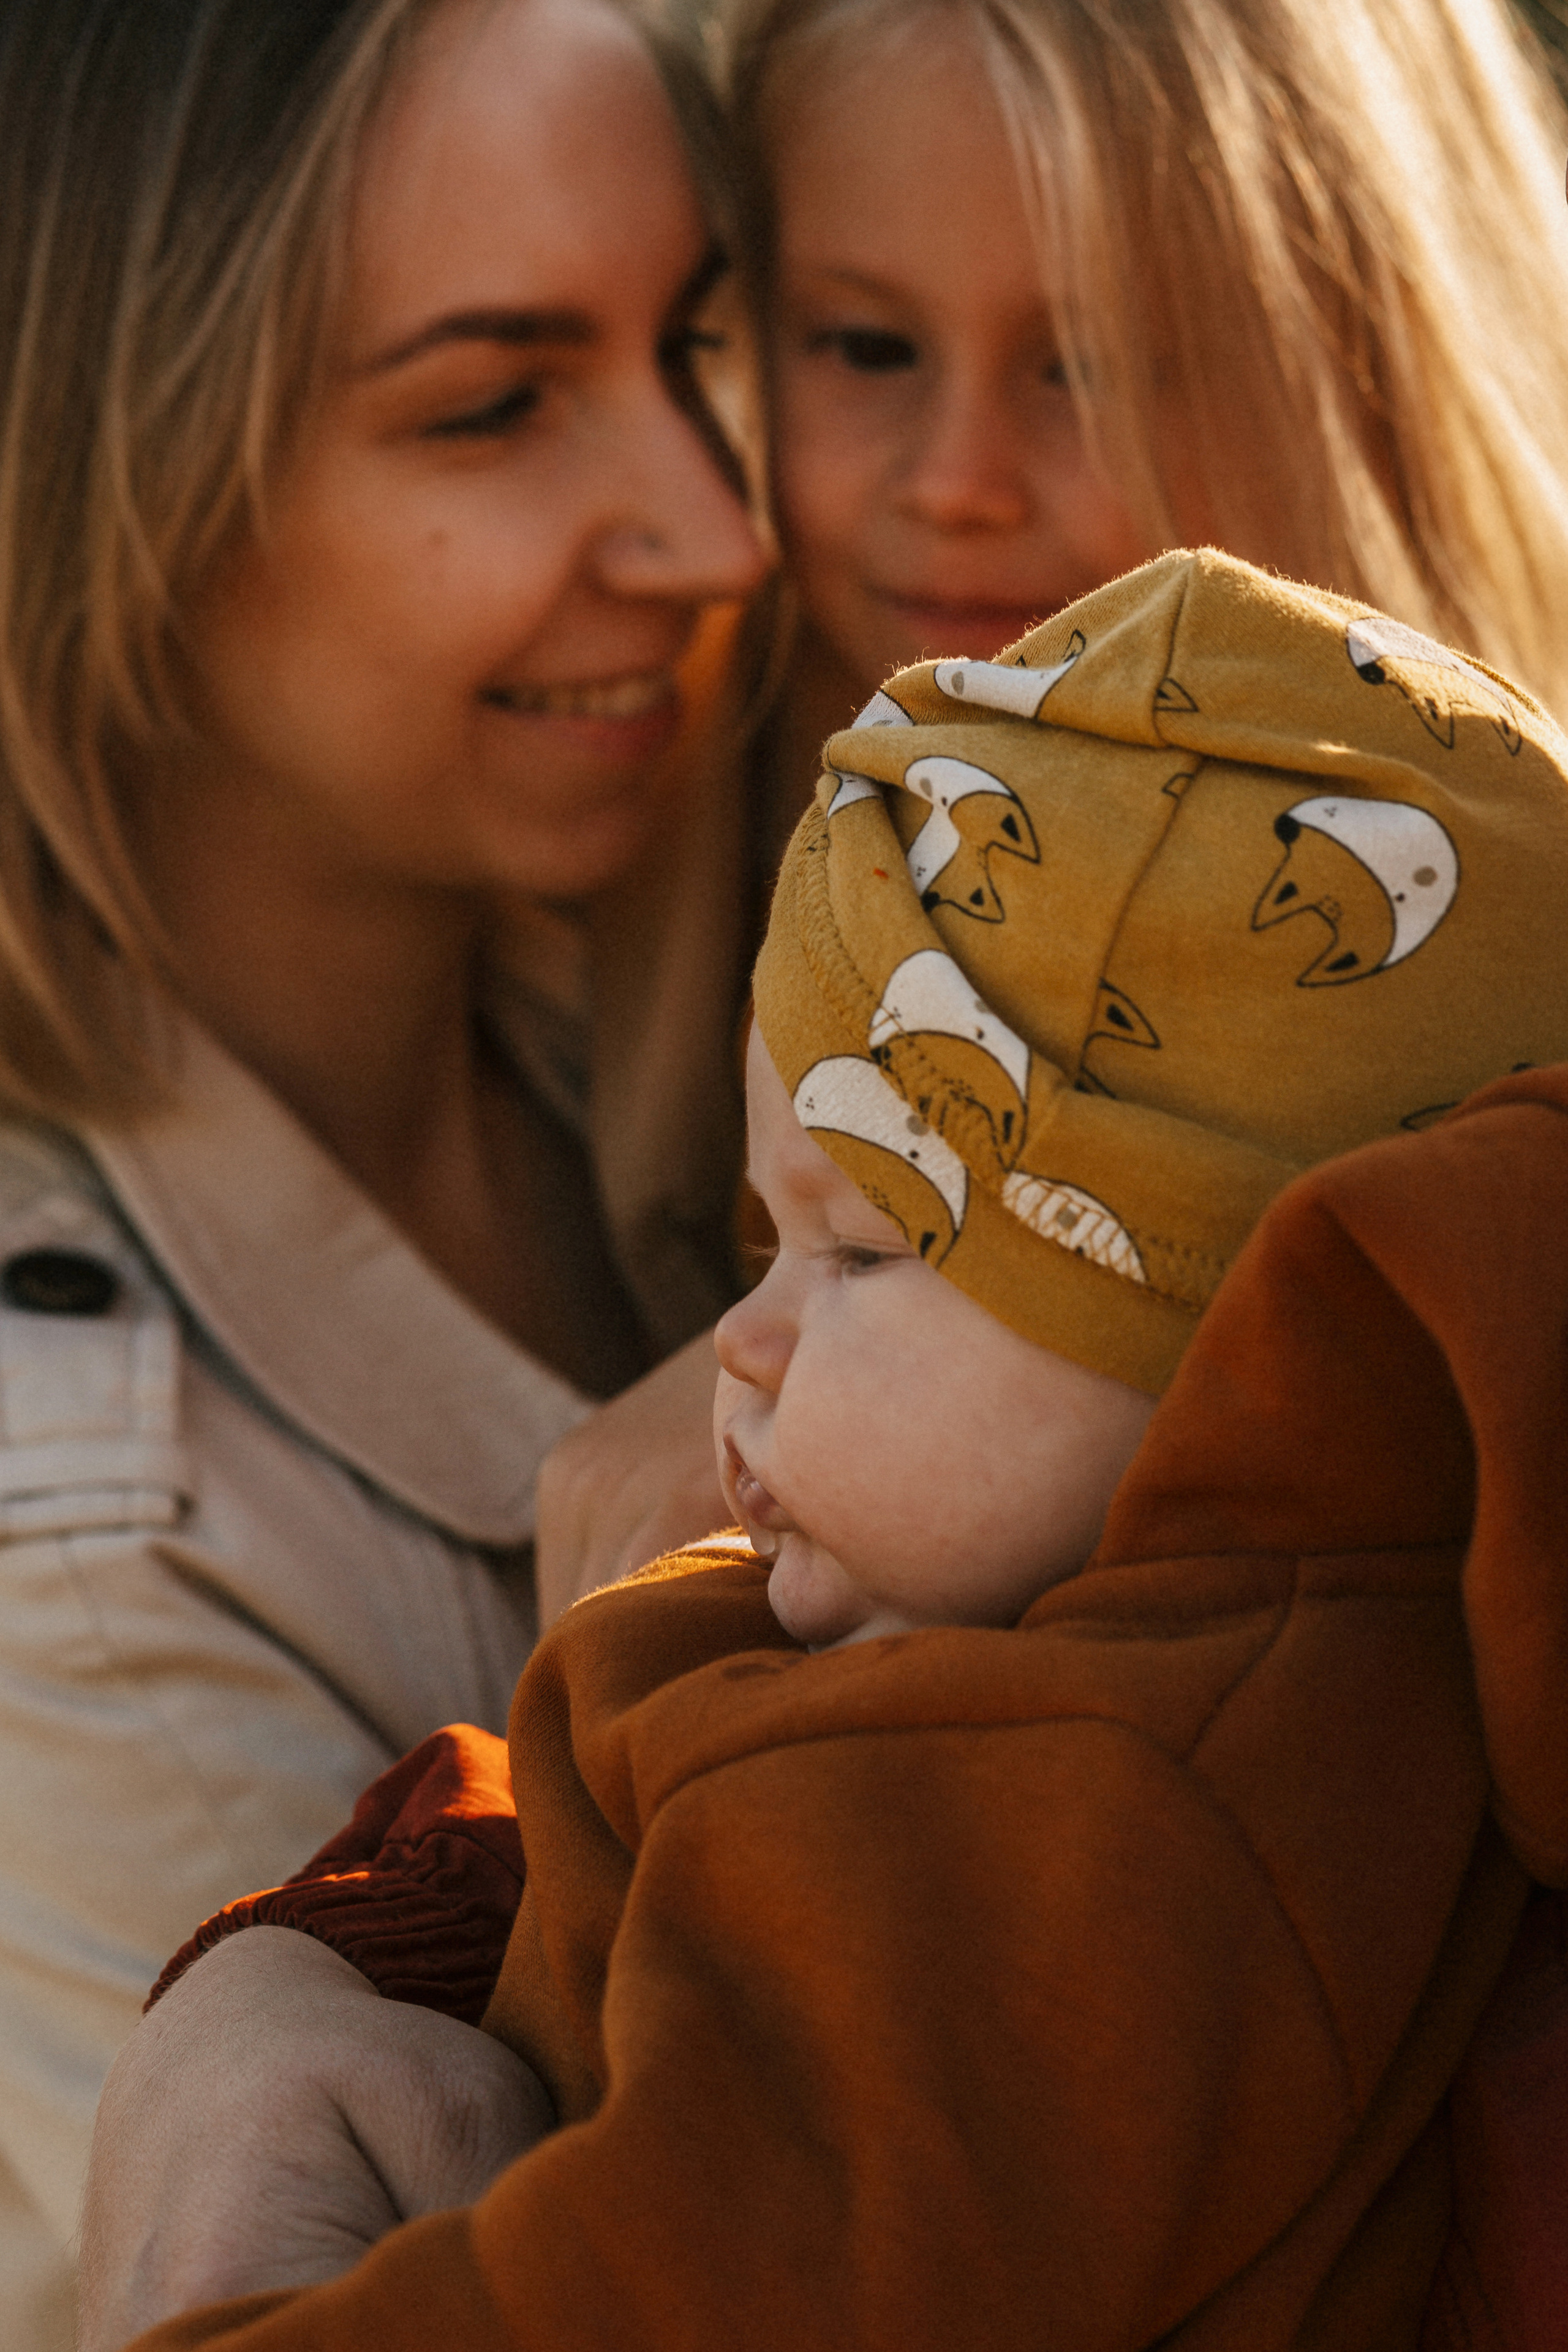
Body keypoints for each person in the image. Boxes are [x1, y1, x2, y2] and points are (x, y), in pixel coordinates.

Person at [81, 548, 1568, 2348]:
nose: (747, 1340)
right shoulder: (1004, 1671)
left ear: (1217, 1332)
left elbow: (672, 2289)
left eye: (865, 1249)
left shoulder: (1094, 1832)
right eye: (762, 1242)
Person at [0, 0, 767, 2339]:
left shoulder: (676, 975)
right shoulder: (75, 1536)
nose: (717, 526)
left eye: (700, 346)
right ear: (102, 466)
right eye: (492, 402)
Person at [536, 0, 1568, 1619]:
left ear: (1369, 368)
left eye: (1088, 361)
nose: (959, 478)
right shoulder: (604, 868)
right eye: (866, 346)